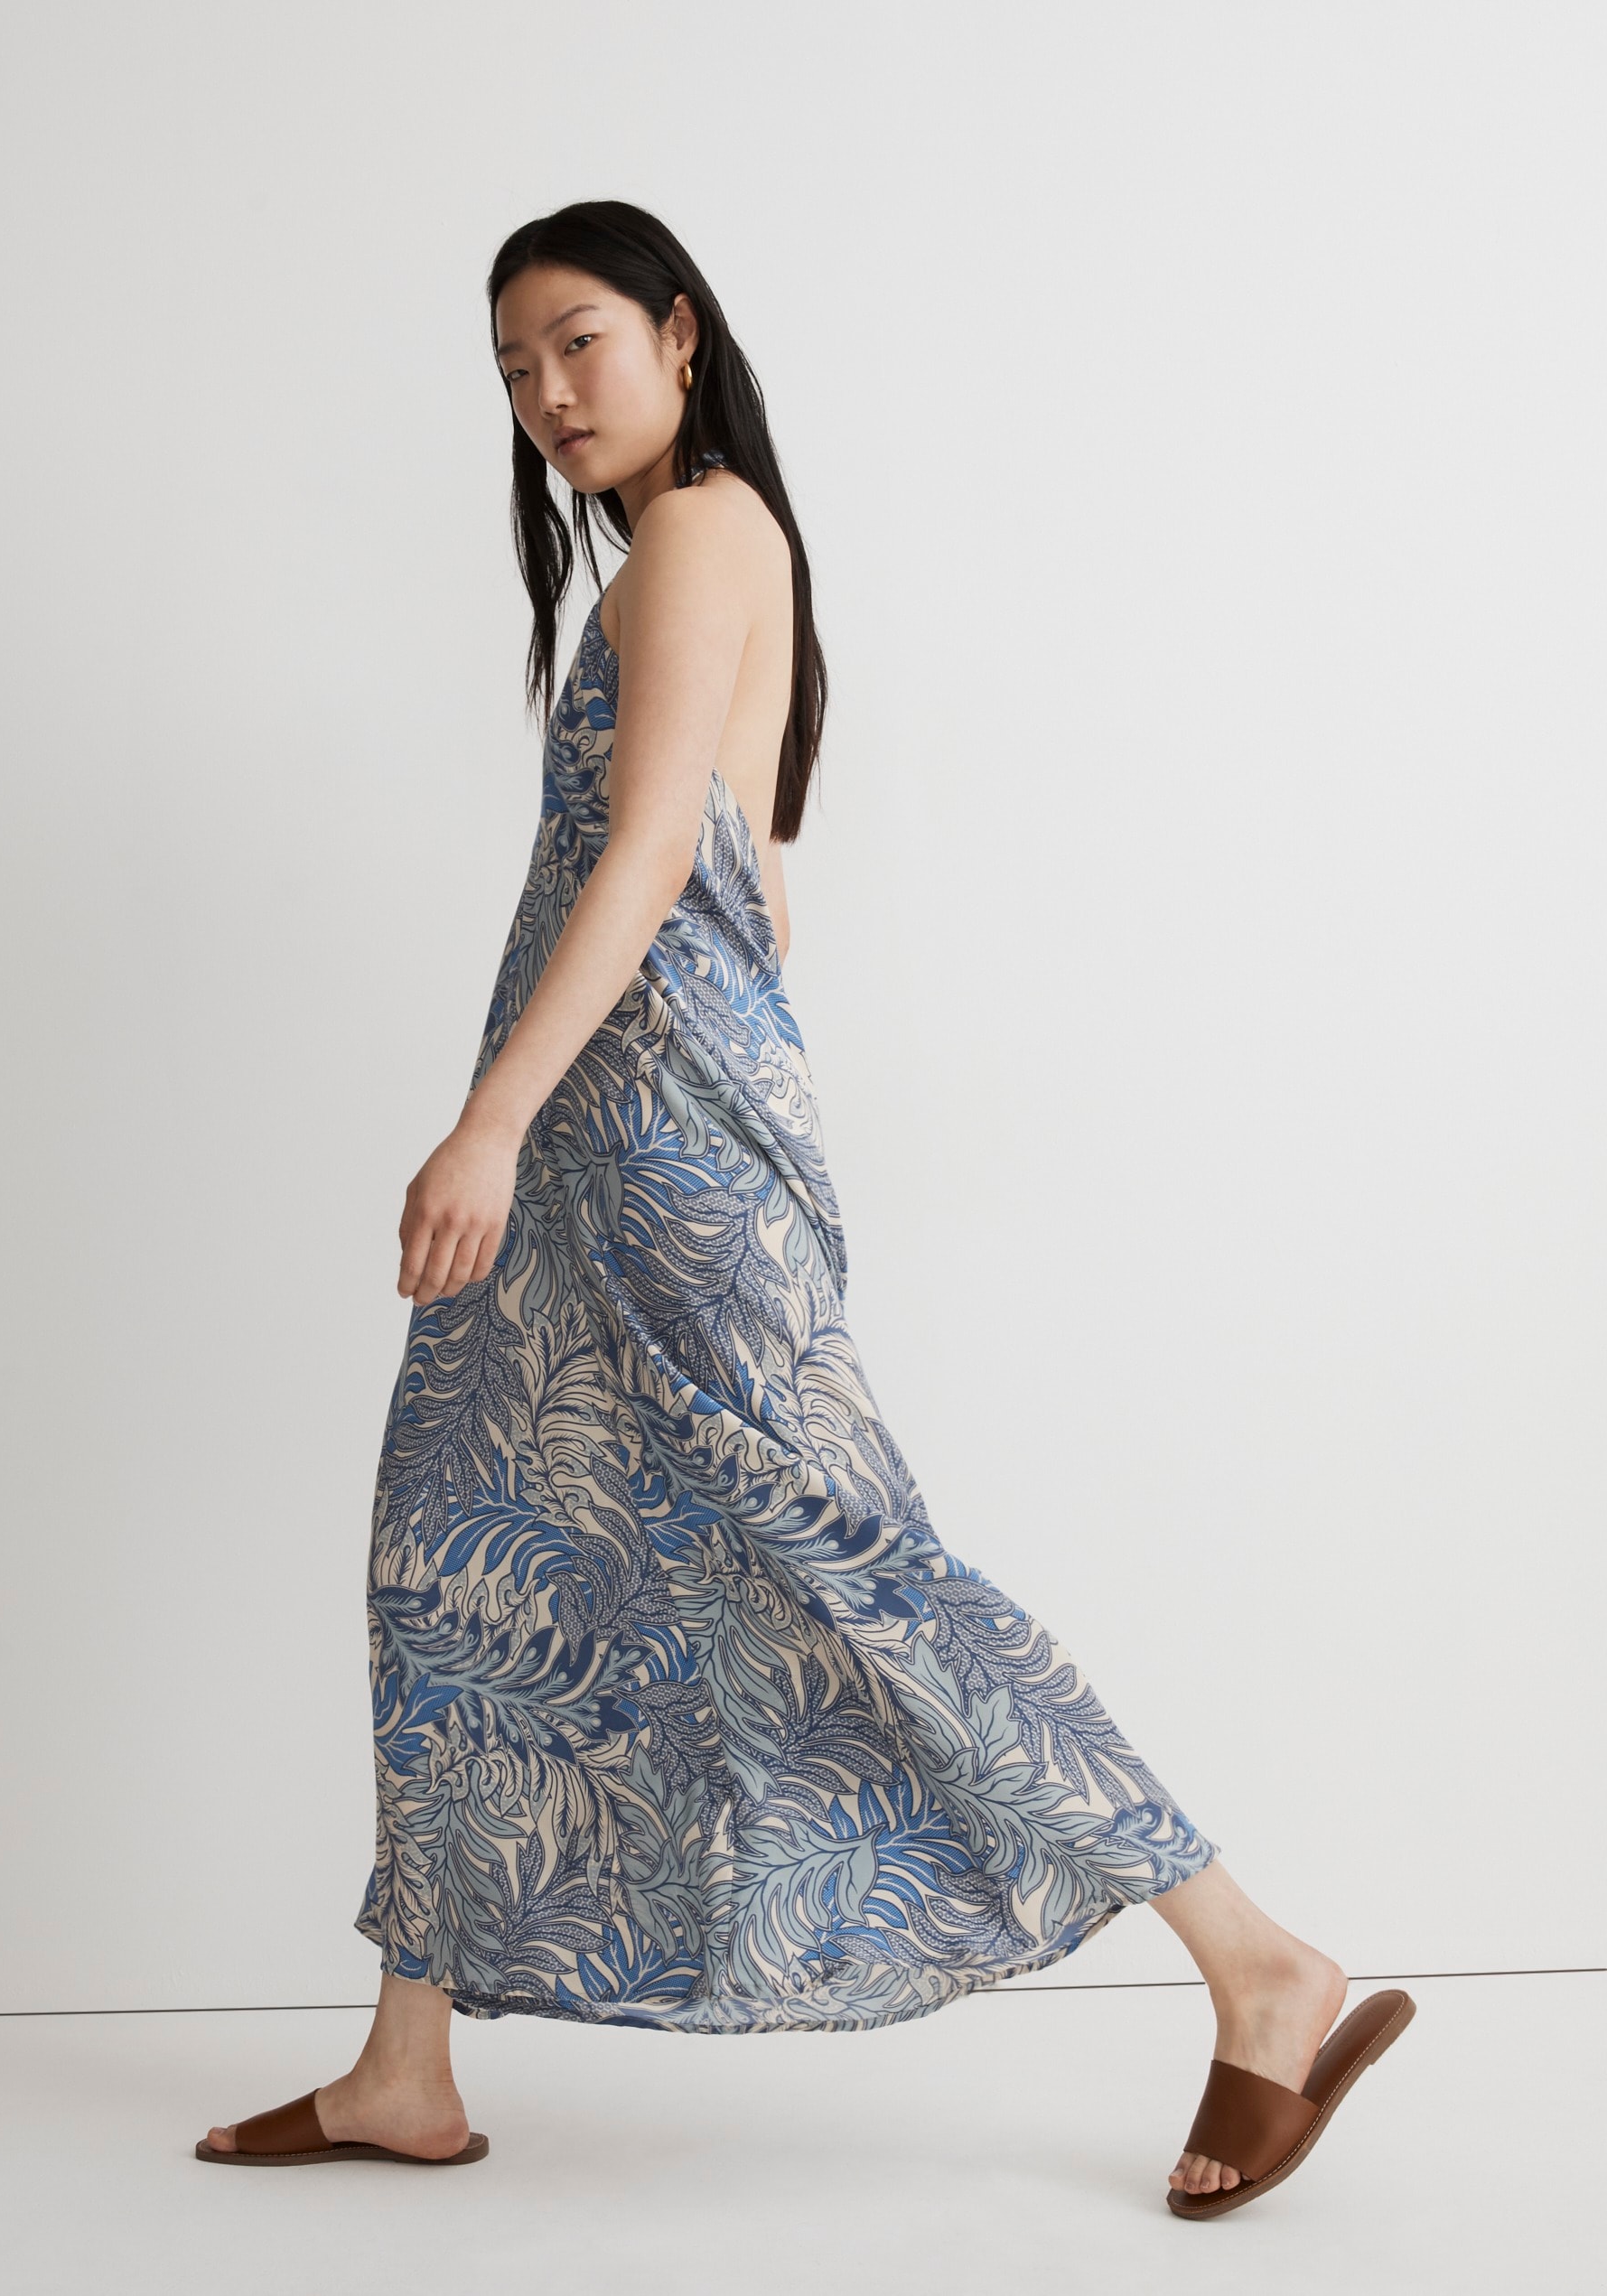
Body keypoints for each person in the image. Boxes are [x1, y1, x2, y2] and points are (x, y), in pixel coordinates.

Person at [197, 200, 1413, 2218]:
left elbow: (651, 855)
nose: (546, 393)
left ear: (677, 331)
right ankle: (404, 2065)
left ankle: (1257, 1958)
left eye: (578, 343)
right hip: (623, 1130)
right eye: (512, 369)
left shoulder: (701, 529)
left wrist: (491, 1117)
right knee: (453, 1552)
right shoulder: (701, 550)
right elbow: (757, 882)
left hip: (635, 1132)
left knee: (857, 1558)